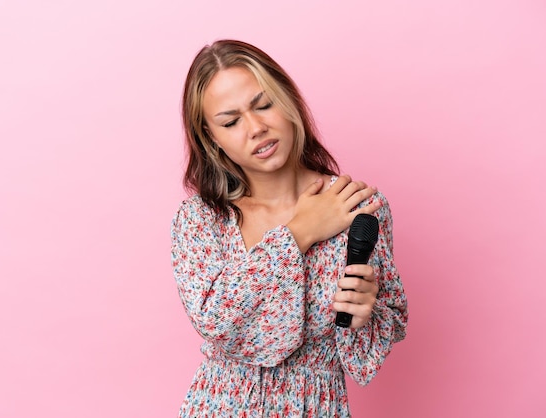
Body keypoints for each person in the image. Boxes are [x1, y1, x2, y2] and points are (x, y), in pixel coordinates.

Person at [171, 39, 408, 417]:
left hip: (315, 406)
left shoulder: (357, 208)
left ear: (288, 99)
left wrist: (366, 315)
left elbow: (372, 346)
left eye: (263, 104)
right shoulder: (201, 219)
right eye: (231, 122)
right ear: (211, 137)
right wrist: (300, 232)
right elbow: (215, 320)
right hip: (219, 406)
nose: (256, 128)